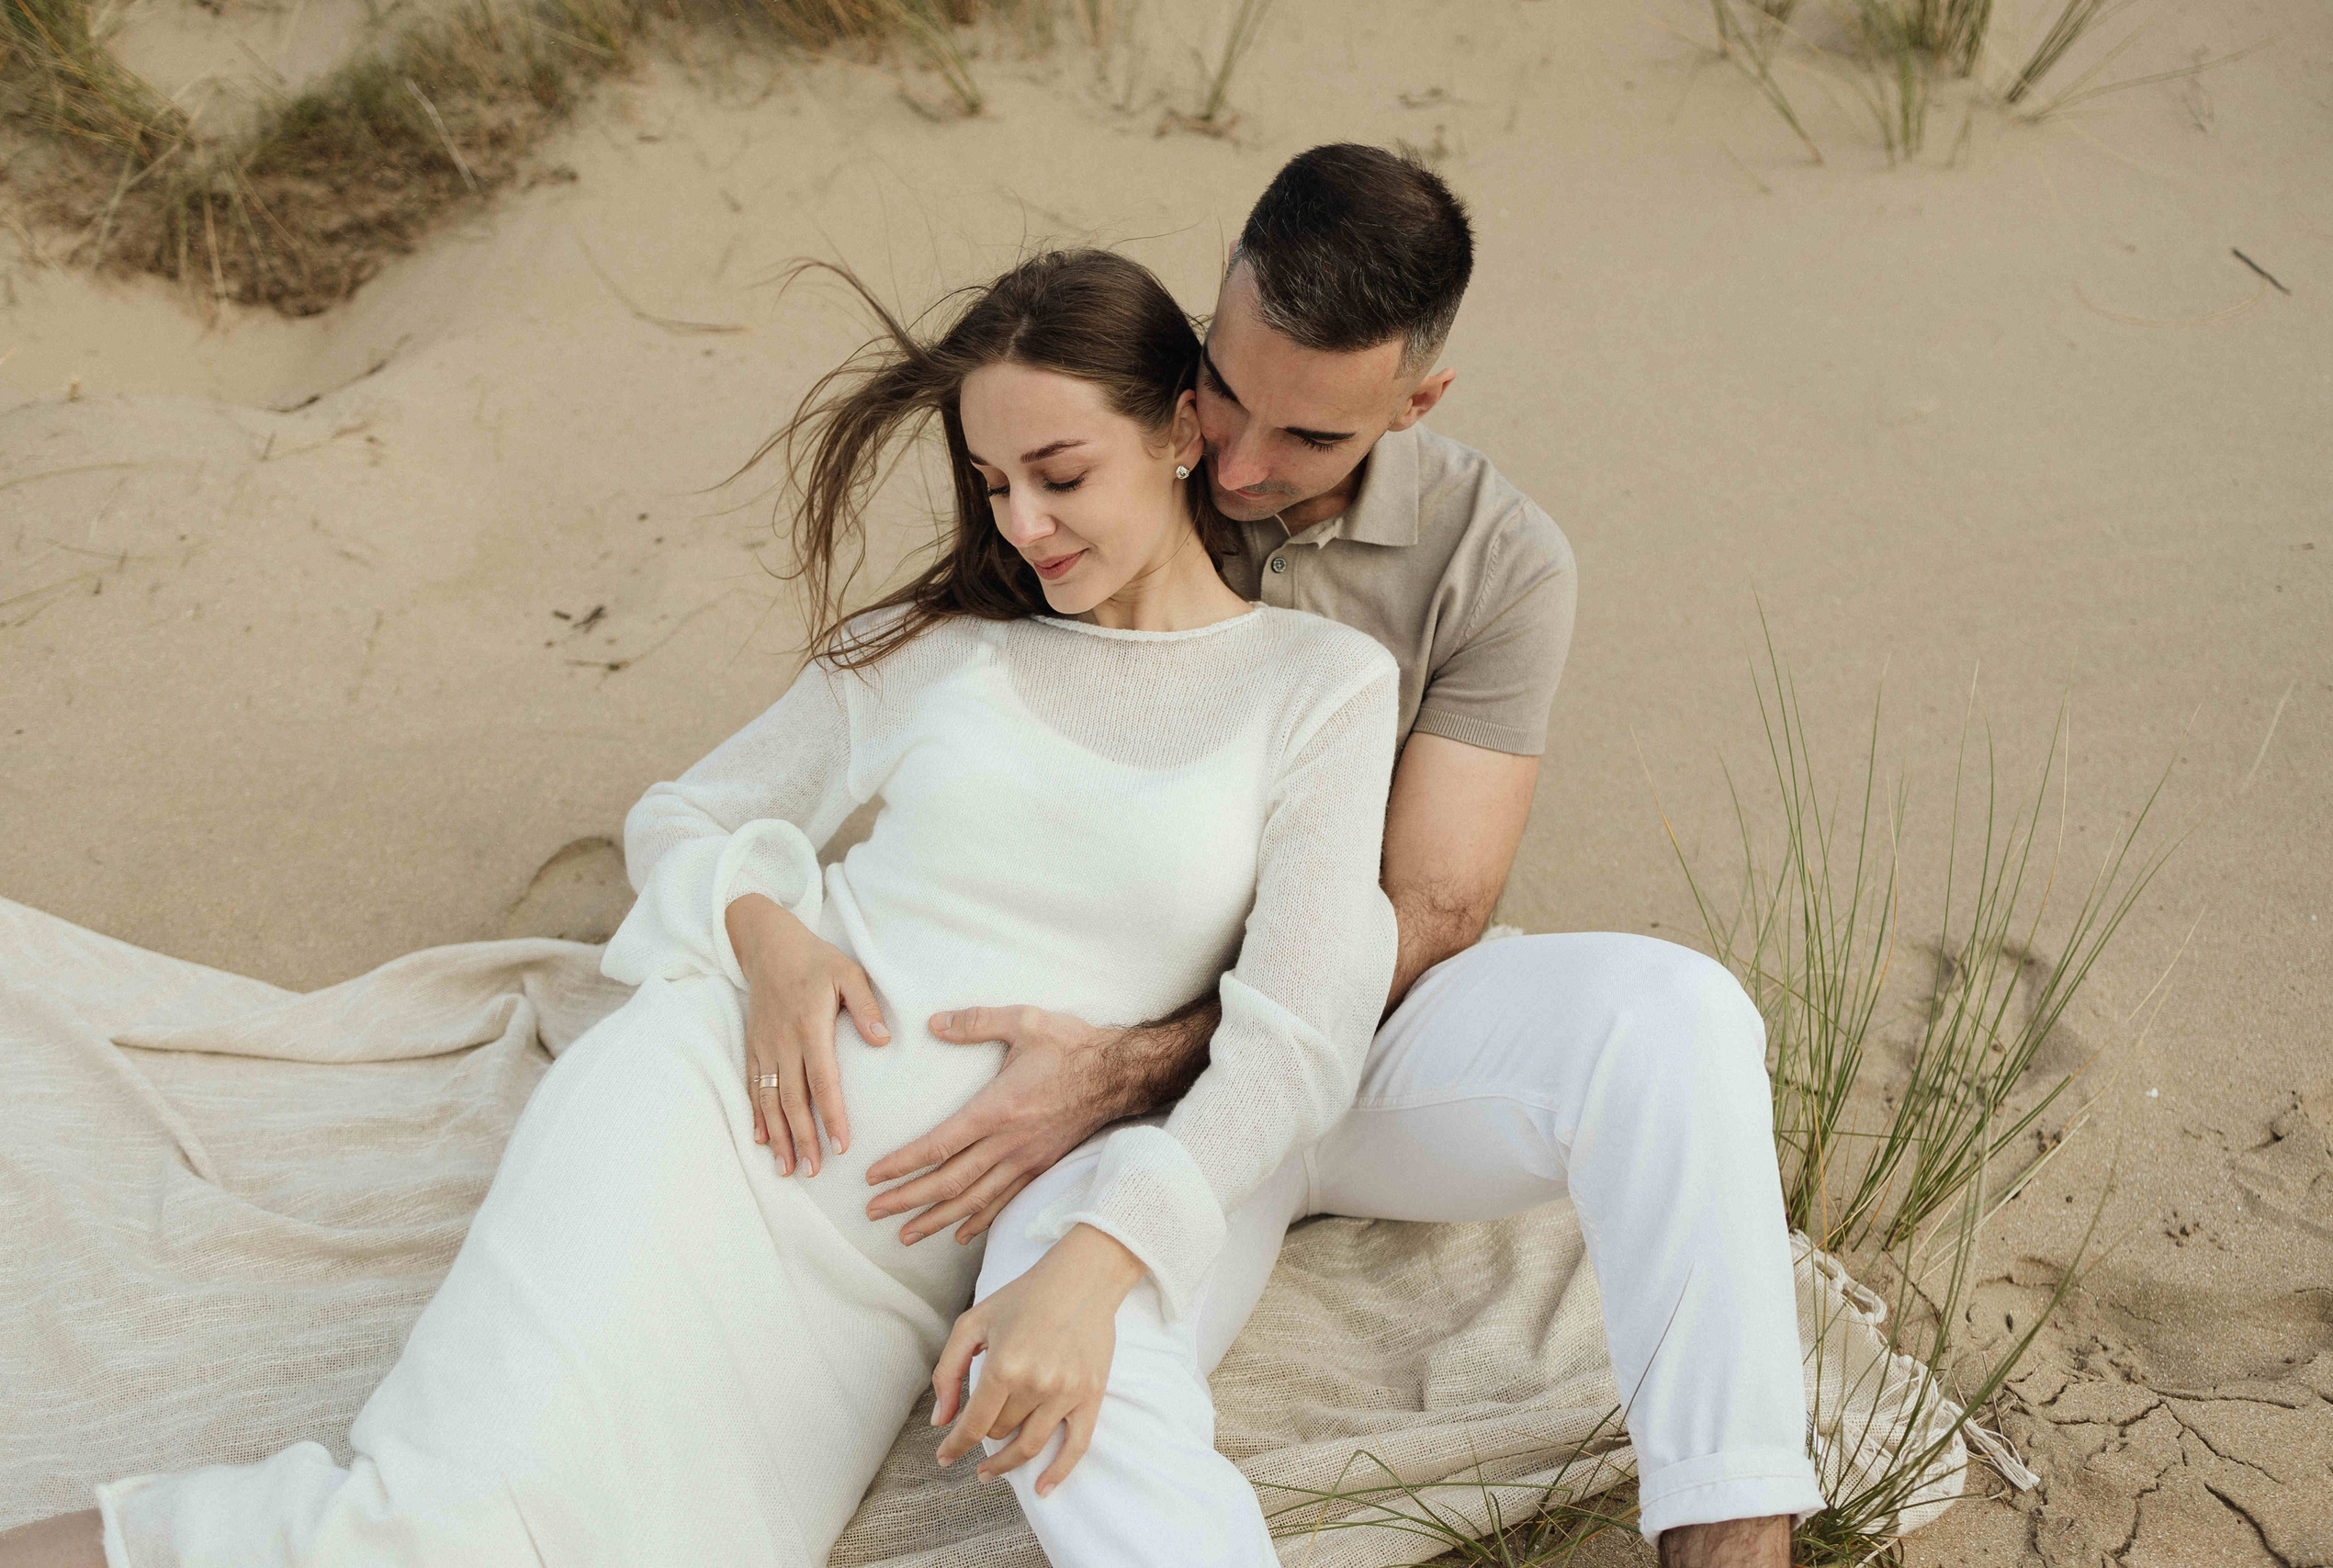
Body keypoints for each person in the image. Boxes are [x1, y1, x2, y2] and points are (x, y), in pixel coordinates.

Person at [0, 249, 1403, 1567]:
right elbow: (687, 815)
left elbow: (1301, 1029)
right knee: (422, 1526)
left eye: (1060, 473)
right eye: (990, 485)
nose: (1023, 525)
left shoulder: (1314, 688)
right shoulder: (947, 652)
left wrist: (1108, 1257)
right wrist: (770, 937)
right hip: (700, 1131)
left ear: (1175, 432)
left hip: (880, 1293)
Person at [850, 146, 1828, 1568]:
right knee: (1060, 1361)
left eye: (1310, 440)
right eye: (1227, 398)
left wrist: (1141, 1057)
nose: (1237, 469)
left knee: (1676, 1018)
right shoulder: (1109, 452)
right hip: (1131, 1108)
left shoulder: (1505, 560)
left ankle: (1734, 1548)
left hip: (1361, 1043)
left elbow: (1429, 909)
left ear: (1417, 402)